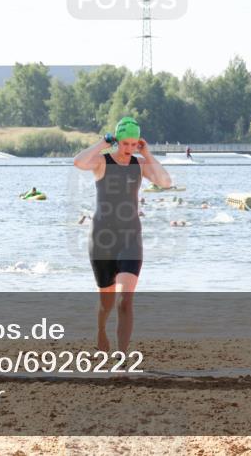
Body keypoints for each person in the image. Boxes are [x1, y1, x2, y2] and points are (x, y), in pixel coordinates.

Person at [73, 117, 172, 352]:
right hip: (102, 240)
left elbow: (166, 182)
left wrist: (147, 153)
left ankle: (121, 356)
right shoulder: (102, 162)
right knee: (106, 302)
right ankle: (100, 331)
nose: (129, 148)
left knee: (124, 300)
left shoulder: (139, 164)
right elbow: (78, 162)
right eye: (125, 143)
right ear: (118, 141)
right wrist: (102, 143)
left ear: (138, 143)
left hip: (130, 239)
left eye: (133, 144)